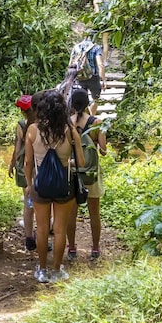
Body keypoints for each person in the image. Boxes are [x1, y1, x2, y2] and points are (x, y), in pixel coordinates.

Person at [24, 89, 84, 283]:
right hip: (63, 187)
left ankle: (42, 270)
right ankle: (56, 271)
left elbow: (27, 162)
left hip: (40, 186)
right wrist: (66, 162)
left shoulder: (32, 130)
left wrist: (28, 184)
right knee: (59, 229)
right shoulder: (70, 130)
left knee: (41, 229)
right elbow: (81, 162)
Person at [66, 88, 107, 261]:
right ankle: (95, 248)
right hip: (91, 173)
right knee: (94, 212)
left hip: (73, 172)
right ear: (87, 103)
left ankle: (72, 248)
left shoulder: (67, 123)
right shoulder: (97, 122)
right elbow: (104, 151)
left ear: (72, 104)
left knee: (71, 213)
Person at [8, 95, 36, 251]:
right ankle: (43, 235)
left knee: (27, 204)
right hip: (37, 169)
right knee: (41, 204)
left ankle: (29, 238)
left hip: (24, 169)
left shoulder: (21, 125)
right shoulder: (40, 125)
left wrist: (12, 165)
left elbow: (17, 151)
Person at [69, 35, 106, 115]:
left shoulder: (76, 47)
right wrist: (103, 80)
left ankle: (83, 119)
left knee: (82, 99)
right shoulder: (96, 47)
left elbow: (71, 64)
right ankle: (91, 118)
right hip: (93, 77)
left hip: (79, 77)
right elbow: (100, 64)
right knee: (95, 99)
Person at [92, 0, 112, 65]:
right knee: (105, 42)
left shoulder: (96, 1)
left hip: (99, 22)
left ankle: (95, 59)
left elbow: (97, 12)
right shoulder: (109, 0)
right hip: (107, 21)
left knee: (95, 41)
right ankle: (104, 61)